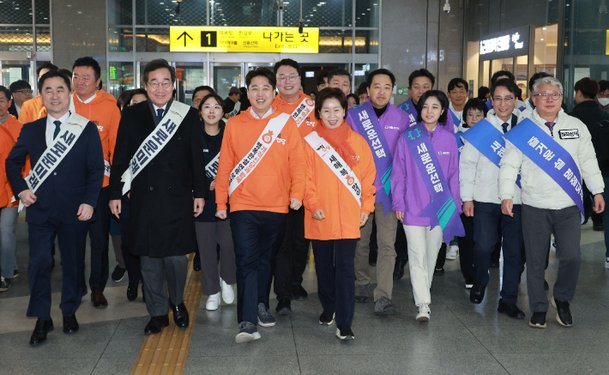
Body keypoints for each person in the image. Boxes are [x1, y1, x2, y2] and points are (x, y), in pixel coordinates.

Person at [6, 70, 104, 346]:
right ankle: (42, 317)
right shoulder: (31, 129)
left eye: (60, 89)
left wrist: (89, 201)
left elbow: (96, 169)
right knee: (39, 263)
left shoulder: (84, 128)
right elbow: (13, 163)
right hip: (40, 210)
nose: (54, 95)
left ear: (69, 93)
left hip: (75, 210)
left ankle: (69, 310)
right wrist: (22, 189)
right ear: (41, 96)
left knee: (72, 263)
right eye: (48, 90)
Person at [109, 59, 205, 335]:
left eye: (166, 83)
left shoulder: (186, 115)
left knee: (176, 259)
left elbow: (196, 158)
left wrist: (200, 193)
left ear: (174, 86)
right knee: (149, 260)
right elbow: (121, 156)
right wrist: (115, 192)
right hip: (144, 199)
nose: (160, 88)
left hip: (176, 199)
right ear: (145, 85)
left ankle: (177, 302)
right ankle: (157, 312)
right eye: (154, 83)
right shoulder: (132, 115)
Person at [500, 76, 605, 329]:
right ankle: (538, 307)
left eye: (554, 95)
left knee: (572, 256)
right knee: (536, 261)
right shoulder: (523, 130)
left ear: (562, 98)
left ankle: (562, 298)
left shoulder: (577, 126)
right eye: (543, 94)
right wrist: (506, 195)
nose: (549, 99)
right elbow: (508, 165)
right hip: (534, 204)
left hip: (568, 205)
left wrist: (598, 191)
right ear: (534, 99)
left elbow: (589, 162)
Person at [215, 67, 306, 344]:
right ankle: (247, 320)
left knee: (266, 259)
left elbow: (298, 164)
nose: (260, 93)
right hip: (243, 205)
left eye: (265, 88)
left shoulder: (285, 123)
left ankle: (260, 304)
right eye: (254, 88)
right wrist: (221, 201)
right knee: (246, 260)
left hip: (277, 207)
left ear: (273, 92)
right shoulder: (235, 124)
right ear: (247, 92)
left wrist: (297, 193)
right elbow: (226, 166)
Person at [303, 88, 376, 340]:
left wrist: (366, 207)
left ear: (345, 111)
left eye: (337, 110)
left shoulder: (358, 142)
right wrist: (313, 204)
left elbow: (368, 178)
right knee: (323, 268)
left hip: (349, 216)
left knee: (345, 269)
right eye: (326, 110)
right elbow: (305, 178)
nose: (332, 115)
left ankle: (345, 322)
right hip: (320, 215)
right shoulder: (310, 142)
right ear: (318, 113)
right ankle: (329, 306)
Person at [392, 90, 463, 322]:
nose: (429, 111)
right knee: (416, 254)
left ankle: (423, 294)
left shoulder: (450, 139)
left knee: (431, 255)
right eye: (425, 107)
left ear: (443, 111)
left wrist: (455, 205)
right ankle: (423, 304)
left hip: (440, 207)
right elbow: (399, 173)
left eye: (435, 107)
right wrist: (399, 202)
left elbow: (454, 175)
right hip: (412, 207)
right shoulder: (407, 137)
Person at [460, 79, 526, 319]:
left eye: (508, 98)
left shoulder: (526, 127)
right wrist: (467, 198)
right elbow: (466, 165)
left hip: (517, 200)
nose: (502, 104)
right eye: (497, 98)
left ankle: (507, 300)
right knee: (483, 245)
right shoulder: (481, 129)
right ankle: (480, 280)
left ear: (516, 100)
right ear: (491, 101)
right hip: (485, 198)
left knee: (513, 252)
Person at [347, 68, 408, 314]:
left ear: (392, 90)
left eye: (386, 87)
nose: (381, 92)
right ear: (368, 90)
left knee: (386, 245)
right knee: (360, 242)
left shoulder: (402, 118)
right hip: (360, 190)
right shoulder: (353, 116)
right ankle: (361, 282)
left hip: (389, 192)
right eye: (376, 86)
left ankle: (383, 295)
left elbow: (405, 158)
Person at [71, 56, 121, 308]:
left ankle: (97, 287)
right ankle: (76, 283)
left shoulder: (110, 107)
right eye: (76, 76)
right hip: (69, 187)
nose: (80, 82)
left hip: (100, 186)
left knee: (99, 240)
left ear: (97, 81)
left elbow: (116, 149)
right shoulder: (63, 104)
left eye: (86, 77)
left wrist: (115, 189)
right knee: (73, 240)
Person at [271, 59, 317, 316]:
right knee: (283, 243)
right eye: (282, 77)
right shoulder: (269, 106)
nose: (287, 81)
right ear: (276, 81)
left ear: (300, 79)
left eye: (292, 76)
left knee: (302, 241)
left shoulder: (313, 106)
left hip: (309, 186)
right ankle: (283, 294)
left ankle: (296, 282)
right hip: (278, 187)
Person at [196, 93, 236, 311]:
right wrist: (204, 185)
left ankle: (227, 280)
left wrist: (221, 182)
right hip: (201, 201)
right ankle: (212, 291)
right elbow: (187, 168)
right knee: (207, 248)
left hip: (228, 199)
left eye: (217, 107)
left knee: (229, 245)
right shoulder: (192, 136)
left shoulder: (231, 134)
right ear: (200, 111)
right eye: (207, 107)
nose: (212, 111)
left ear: (223, 112)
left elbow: (240, 164)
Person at [570, 77, 609, 265]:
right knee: (606, 209)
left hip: (576, 171)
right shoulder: (604, 114)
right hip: (603, 170)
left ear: (578, 93)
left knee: (572, 212)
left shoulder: (572, 117)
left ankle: (567, 247)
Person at [455, 98, 488, 289]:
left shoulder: (493, 138)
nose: (474, 119)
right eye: (471, 115)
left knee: (483, 237)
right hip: (463, 195)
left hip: (485, 196)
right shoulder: (457, 137)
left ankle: (481, 267)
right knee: (466, 238)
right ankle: (469, 273)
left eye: (479, 115)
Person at [0, 86, 23, 292]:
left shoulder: (18, 127)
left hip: (10, 191)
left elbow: (25, 161)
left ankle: (5, 274)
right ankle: (11, 266)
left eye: (0, 100)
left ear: (9, 103)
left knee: (6, 232)